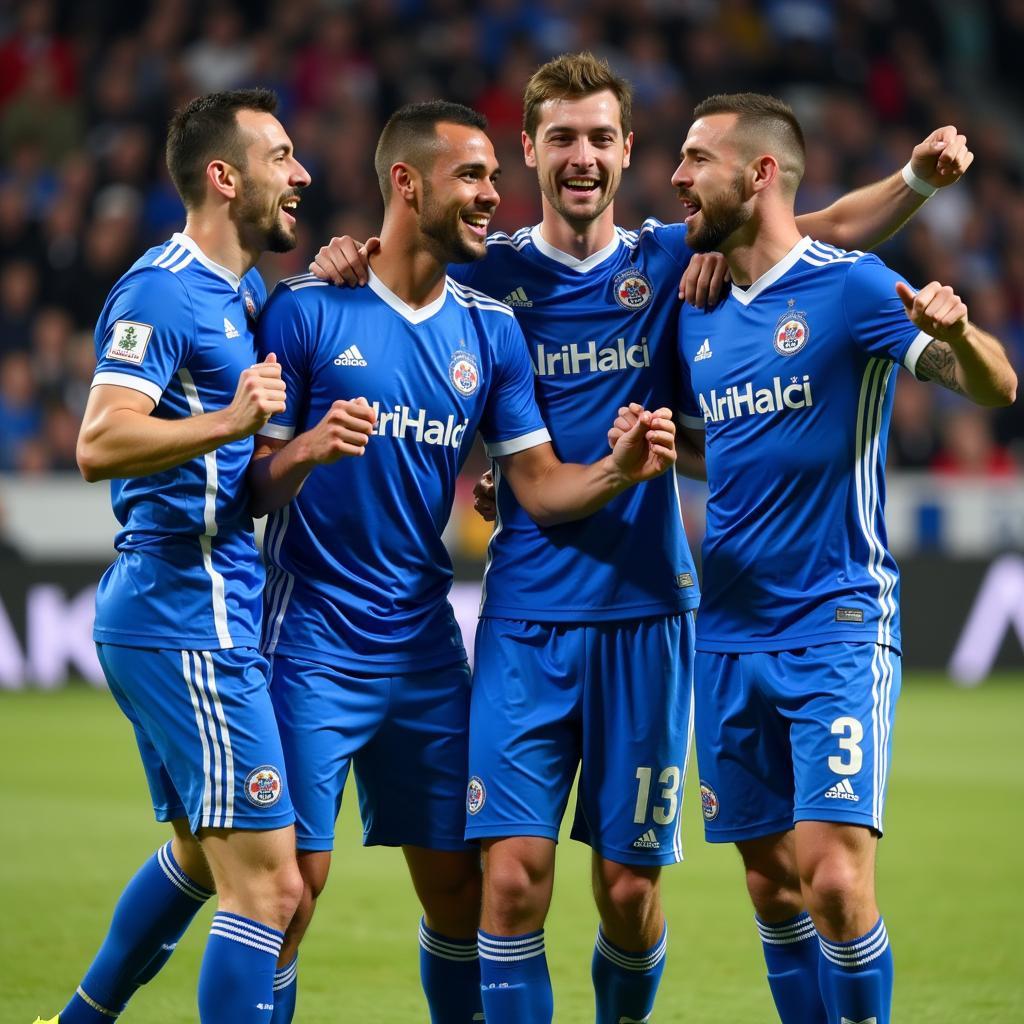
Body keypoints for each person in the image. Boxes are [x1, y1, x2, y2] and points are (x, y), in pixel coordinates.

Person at [311, 51, 975, 1024]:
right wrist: (346, 257)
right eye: (561, 138)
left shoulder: (669, 260)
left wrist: (915, 181)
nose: (580, 157)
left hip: (651, 619)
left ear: (626, 152)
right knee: (510, 884)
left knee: (627, 897)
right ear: (529, 149)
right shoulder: (489, 269)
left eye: (599, 138)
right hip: (527, 616)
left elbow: (818, 232)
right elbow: (396, 258)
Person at [245, 99, 676, 1024]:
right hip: (310, 645)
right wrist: (308, 450)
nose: (493, 195)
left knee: (462, 893)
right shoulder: (308, 310)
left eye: (492, 176)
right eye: (473, 177)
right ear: (406, 182)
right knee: (289, 891)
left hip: (428, 653)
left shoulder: (490, 330)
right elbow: (247, 489)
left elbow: (537, 484)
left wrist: (618, 468)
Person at [661, 91, 1014, 1024]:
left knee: (835, 880)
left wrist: (955, 334)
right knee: (772, 886)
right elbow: (722, 446)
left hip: (836, 620)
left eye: (697, 158)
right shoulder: (695, 310)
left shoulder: (852, 287)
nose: (676, 175)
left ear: (760, 172)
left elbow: (997, 385)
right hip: (727, 631)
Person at [34, 88, 311, 1024]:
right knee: (270, 893)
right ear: (224, 177)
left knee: (203, 857)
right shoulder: (163, 287)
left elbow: (238, 477)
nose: (302, 173)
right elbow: (98, 444)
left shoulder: (246, 293)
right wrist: (230, 420)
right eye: (281, 156)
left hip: (195, 602)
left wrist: (293, 451)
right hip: (186, 610)